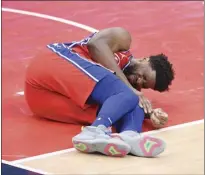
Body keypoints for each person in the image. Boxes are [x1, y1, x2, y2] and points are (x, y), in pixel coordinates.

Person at [25, 27, 175, 158]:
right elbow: (95, 44)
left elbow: (126, 99)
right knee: (128, 96)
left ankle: (129, 136)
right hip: (52, 62)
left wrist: (150, 113)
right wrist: (130, 89)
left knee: (131, 103)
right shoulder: (122, 39)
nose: (139, 81)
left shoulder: (126, 89)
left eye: (144, 84)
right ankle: (94, 131)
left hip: (42, 99)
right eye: (144, 75)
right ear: (145, 60)